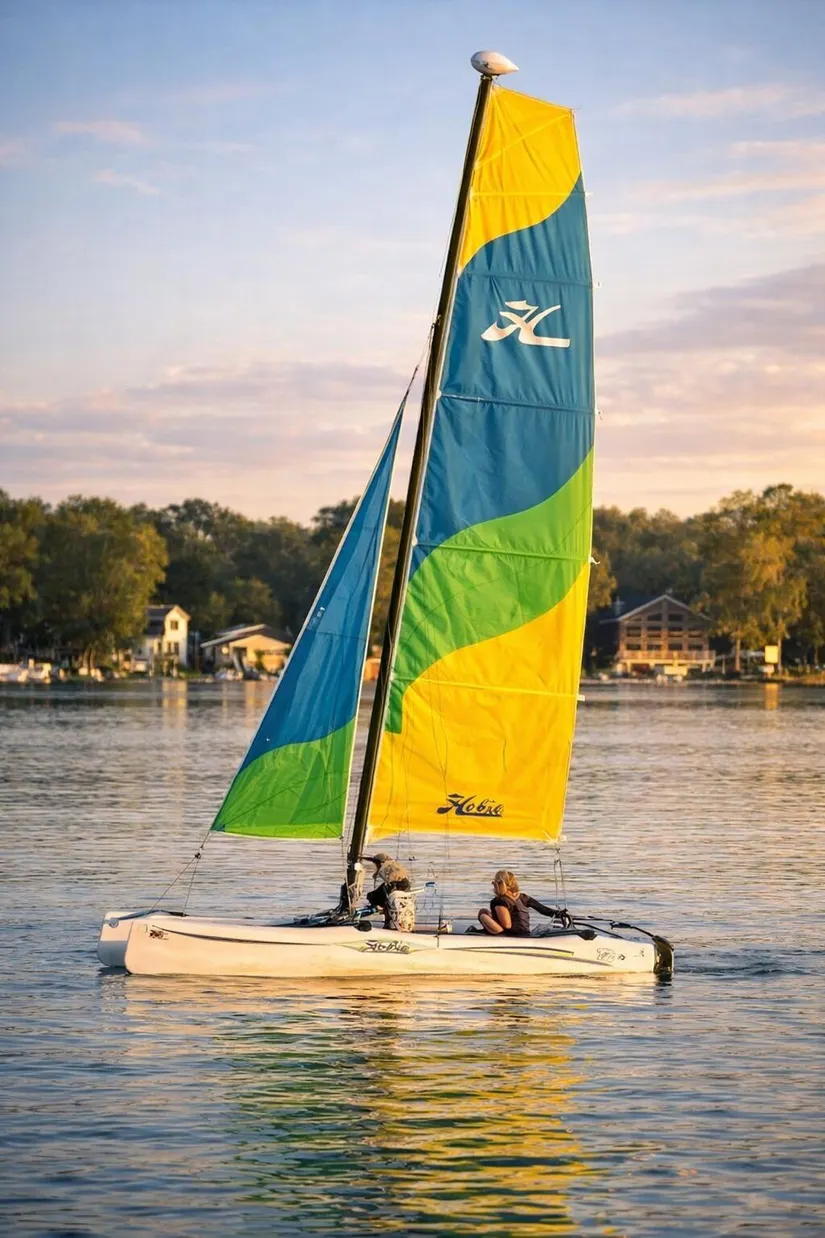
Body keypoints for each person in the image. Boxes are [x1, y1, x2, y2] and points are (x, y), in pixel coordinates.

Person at [478, 870, 571, 936]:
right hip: (525, 933)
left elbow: (507, 925)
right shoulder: (523, 897)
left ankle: (489, 936)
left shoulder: (499, 901)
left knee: (483, 914)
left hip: (511, 935)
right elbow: (543, 909)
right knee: (486, 911)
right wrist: (559, 913)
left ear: (498, 884)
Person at [364, 854, 415, 931]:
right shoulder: (398, 872)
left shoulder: (389, 877)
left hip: (395, 891)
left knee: (373, 896)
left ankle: (389, 922)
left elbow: (378, 893)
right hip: (401, 891)